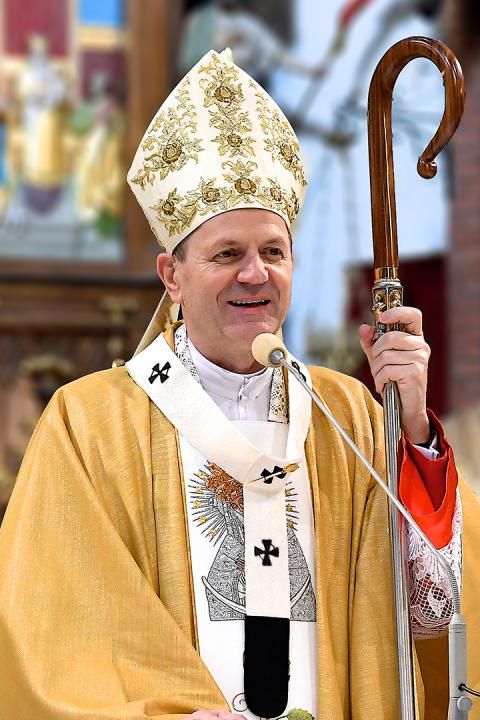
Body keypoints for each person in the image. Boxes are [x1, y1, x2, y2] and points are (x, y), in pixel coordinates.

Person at [0, 49, 461, 719]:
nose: (255, 274)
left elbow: (431, 615)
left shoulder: (347, 416)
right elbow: (49, 636)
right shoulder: (91, 424)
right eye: (227, 254)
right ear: (172, 276)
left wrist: (412, 427)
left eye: (273, 251)